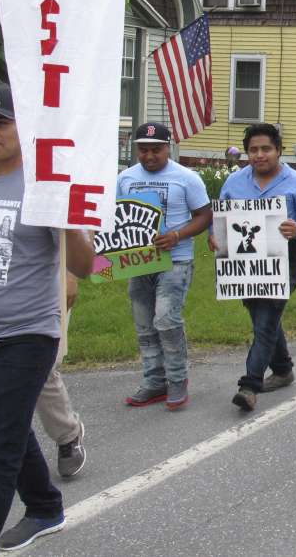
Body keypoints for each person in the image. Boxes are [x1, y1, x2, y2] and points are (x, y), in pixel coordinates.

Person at [0, 84, 97, 554]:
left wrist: (69, 220)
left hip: (27, 335)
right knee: (2, 432)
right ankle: (45, 505)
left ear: (23, 129)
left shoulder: (45, 187)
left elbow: (85, 266)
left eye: (1, 123)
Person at [216, 123, 296, 411]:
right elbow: (220, 219)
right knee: (261, 318)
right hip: (244, 263)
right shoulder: (235, 183)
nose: (259, 155)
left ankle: (249, 385)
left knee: (266, 318)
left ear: (279, 151)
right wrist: (215, 238)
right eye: (253, 150)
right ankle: (283, 368)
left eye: (266, 149)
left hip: (284, 260)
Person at [119, 122, 213, 411]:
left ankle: (176, 380)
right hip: (137, 260)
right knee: (144, 323)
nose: (149, 156)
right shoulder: (125, 178)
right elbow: (115, 218)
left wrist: (177, 235)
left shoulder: (186, 178)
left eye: (155, 150)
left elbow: (204, 215)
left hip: (176, 259)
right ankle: (153, 381)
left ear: (168, 147)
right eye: (143, 150)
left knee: (166, 319)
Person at [36, 273, 87, 479]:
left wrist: (71, 275)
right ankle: (5, 447)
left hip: (46, 284)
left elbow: (77, 240)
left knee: (43, 366)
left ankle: (67, 436)